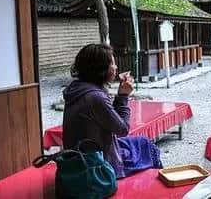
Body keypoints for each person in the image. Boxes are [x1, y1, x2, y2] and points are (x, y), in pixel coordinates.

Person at [62, 43, 162, 178]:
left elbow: (107, 119)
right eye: (112, 64)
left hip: (82, 154)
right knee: (148, 150)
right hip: (96, 163)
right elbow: (122, 129)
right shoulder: (94, 97)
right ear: (101, 69)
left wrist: (120, 95)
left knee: (143, 142)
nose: (116, 68)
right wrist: (123, 97)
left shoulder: (78, 89)